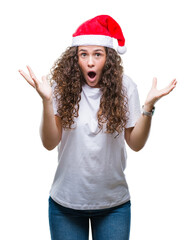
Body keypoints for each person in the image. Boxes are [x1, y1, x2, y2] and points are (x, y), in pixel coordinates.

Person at [18, 15, 177, 240]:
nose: (90, 62)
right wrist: (47, 101)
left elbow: (136, 144)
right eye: (84, 54)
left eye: (97, 54)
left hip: (114, 206)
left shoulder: (125, 87)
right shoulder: (62, 88)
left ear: (108, 58)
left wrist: (148, 108)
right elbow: (49, 143)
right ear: (75, 58)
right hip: (66, 206)